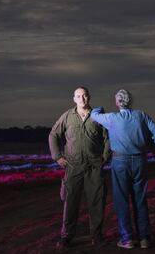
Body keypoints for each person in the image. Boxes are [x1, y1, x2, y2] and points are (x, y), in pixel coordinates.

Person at [91, 89, 155, 249]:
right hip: (140, 161)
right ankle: (144, 239)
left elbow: (94, 115)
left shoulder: (112, 118)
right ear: (130, 101)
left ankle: (127, 239)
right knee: (140, 200)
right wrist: (154, 148)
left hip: (120, 162)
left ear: (117, 102)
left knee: (122, 200)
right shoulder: (141, 115)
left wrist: (98, 108)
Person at [48, 87, 110, 250]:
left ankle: (96, 236)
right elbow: (53, 135)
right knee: (70, 203)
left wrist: (105, 157)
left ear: (89, 97)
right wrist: (57, 156)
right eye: (78, 96)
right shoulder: (67, 116)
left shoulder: (98, 116)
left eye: (84, 95)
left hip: (94, 167)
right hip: (73, 167)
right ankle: (66, 236)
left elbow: (108, 137)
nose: (82, 98)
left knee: (97, 203)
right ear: (74, 99)